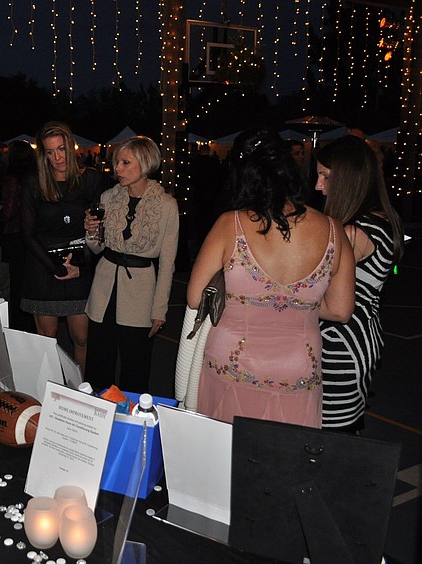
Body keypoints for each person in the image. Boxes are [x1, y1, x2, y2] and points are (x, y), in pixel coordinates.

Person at [188, 128, 355, 429]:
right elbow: (341, 310)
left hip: (234, 361)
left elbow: (195, 297)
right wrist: (292, 303)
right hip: (298, 367)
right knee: (285, 454)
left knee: (226, 450)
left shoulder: (230, 224)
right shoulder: (333, 230)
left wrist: (249, 298)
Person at [315, 135, 404, 433]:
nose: (318, 185)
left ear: (347, 180)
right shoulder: (381, 219)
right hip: (360, 336)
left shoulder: (354, 232)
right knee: (342, 429)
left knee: (329, 434)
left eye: (325, 176)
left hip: (338, 344)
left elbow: (318, 294)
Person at [83, 136, 179, 392]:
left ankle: (132, 415)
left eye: (125, 163)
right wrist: (91, 232)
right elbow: (97, 247)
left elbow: (168, 262)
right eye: (117, 162)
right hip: (104, 289)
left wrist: (160, 309)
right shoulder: (108, 197)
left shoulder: (166, 206)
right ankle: (96, 413)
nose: (118, 168)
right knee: (98, 365)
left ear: (145, 164)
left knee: (135, 368)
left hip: (141, 294)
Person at [21, 121, 104, 372]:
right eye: (50, 152)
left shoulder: (90, 179)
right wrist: (54, 268)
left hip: (79, 267)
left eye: (61, 149)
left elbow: (98, 228)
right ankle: (50, 389)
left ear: (71, 146)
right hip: (44, 268)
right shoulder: (34, 182)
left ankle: (80, 389)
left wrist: (82, 266)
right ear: (43, 155)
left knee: (82, 338)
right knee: (47, 340)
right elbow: (27, 233)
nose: (57, 157)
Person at [0, 140, 36, 332]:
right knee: (27, 281)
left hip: (14, 235)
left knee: (14, 284)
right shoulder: (35, 176)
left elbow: (9, 210)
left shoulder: (12, 179)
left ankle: (14, 326)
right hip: (31, 235)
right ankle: (29, 325)